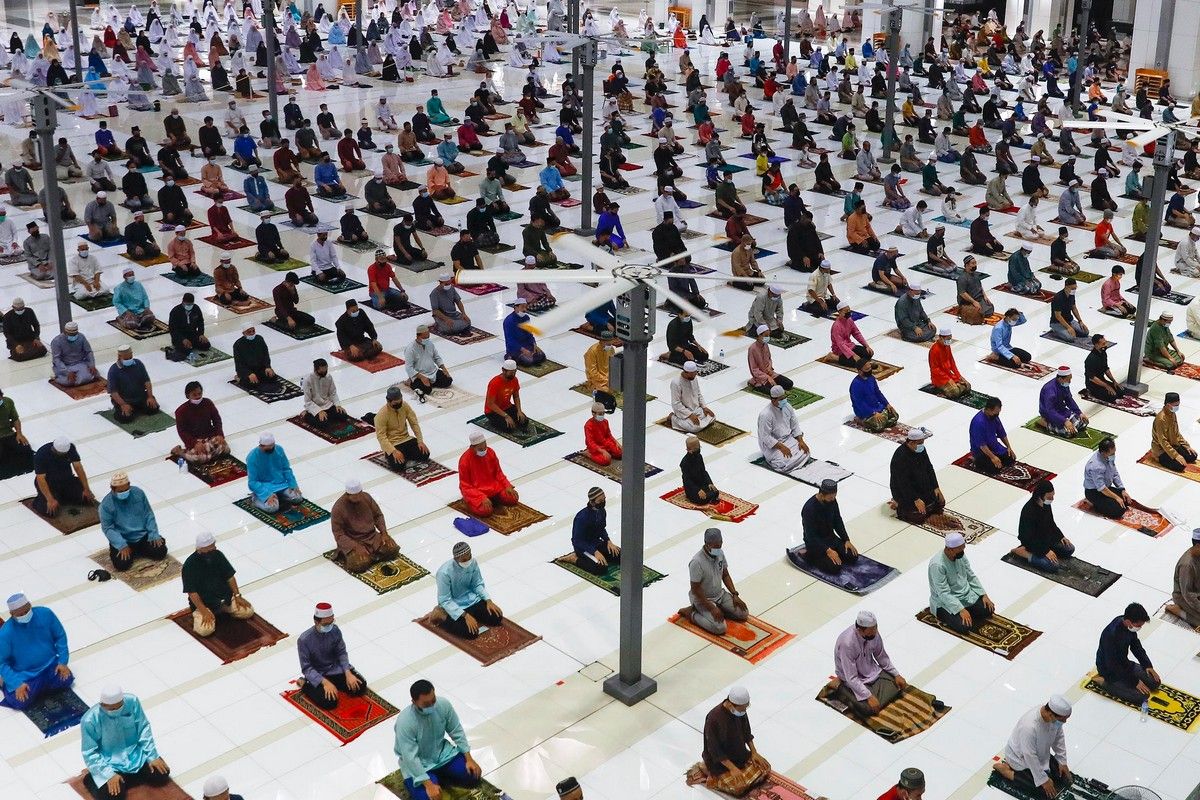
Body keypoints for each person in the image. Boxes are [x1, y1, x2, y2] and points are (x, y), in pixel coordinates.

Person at [392, 678, 483, 800]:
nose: (432, 706)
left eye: (433, 700)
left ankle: (440, 777)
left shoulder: (443, 705)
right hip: (420, 765)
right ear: (414, 702)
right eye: (426, 704)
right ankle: (431, 780)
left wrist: (469, 758)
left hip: (443, 755)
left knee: (473, 776)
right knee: (427, 798)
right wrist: (428, 784)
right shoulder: (405, 722)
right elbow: (410, 757)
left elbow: (456, 730)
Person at [80, 686, 171, 800]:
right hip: (110, 764)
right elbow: (89, 752)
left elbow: (143, 728)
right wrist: (108, 775)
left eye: (119, 707)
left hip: (136, 757)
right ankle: (91, 779)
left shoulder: (132, 702)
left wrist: (152, 757)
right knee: (113, 796)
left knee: (161, 774)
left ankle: (124, 780)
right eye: (112, 709)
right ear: (102, 705)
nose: (116, 711)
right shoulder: (89, 720)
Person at [694, 685, 771, 797]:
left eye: (746, 707)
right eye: (743, 708)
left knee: (766, 768)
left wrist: (754, 752)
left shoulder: (740, 711)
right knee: (739, 787)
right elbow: (715, 751)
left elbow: (746, 732)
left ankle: (737, 775)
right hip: (720, 763)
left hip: (740, 755)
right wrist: (733, 769)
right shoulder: (713, 719)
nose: (744, 711)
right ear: (731, 704)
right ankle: (710, 774)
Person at [0, 592, 72, 710]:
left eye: (26, 611)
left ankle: (40, 687)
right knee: (20, 702)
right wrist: (16, 684)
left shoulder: (45, 614)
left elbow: (60, 636)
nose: (24, 615)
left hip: (50, 665)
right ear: (12, 614)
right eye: (20, 614)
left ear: (30, 605)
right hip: (25, 674)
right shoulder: (5, 633)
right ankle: (4, 684)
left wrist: (63, 662)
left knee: (66, 680)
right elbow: (2, 662)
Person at [992, 696, 1073, 796]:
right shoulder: (1029, 726)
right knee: (1042, 790)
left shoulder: (1053, 719)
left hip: (1041, 754)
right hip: (1020, 758)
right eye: (1063, 719)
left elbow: (1059, 736)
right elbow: (1029, 755)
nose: (1064, 722)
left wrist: (1062, 760)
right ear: (1051, 714)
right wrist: (1043, 780)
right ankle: (1007, 771)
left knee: (1063, 778)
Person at [833, 610, 907, 719]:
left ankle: (876, 695)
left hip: (871, 672)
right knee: (868, 709)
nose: (875, 633)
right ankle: (841, 689)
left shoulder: (874, 634)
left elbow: (881, 656)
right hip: (851, 679)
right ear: (859, 630)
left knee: (898, 685)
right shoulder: (847, 644)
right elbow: (851, 677)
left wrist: (896, 674)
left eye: (875, 628)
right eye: (871, 631)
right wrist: (868, 696)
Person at [297, 602, 368, 710]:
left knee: (360, 686)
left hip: (335, 670)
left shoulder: (335, 630)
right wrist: (325, 683)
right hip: (318, 675)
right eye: (326, 624)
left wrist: (348, 673)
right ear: (316, 622)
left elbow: (341, 652)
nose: (329, 626)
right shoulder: (304, 640)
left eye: (331, 622)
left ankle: (334, 684)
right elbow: (306, 668)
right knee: (330, 702)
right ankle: (305, 685)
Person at [181, 531, 254, 637]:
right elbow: (192, 592)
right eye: (210, 548)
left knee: (248, 611)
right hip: (205, 604)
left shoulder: (217, 555)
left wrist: (238, 596)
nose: (214, 549)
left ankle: (222, 610)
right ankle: (205, 614)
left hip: (225, 598)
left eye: (214, 546)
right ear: (200, 549)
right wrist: (203, 611)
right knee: (205, 630)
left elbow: (230, 577)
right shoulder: (190, 565)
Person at [681, 528, 748, 635]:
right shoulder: (697, 562)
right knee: (720, 628)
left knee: (743, 613)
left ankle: (719, 609)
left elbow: (725, 575)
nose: (718, 549)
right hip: (703, 599)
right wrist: (711, 607)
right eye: (715, 547)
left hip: (719, 595)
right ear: (706, 543)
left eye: (720, 545)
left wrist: (735, 594)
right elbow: (695, 589)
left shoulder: (720, 553)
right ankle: (691, 613)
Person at [434, 541, 504, 638]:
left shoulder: (472, 562)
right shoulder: (444, 573)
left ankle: (472, 616)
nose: (468, 561)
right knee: (471, 633)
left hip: (472, 600)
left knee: (496, 617)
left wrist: (488, 600)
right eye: (464, 559)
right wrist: (465, 615)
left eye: (469, 556)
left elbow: (477, 584)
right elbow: (445, 600)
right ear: (456, 559)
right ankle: (442, 615)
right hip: (455, 605)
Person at [1095, 602, 1161, 705]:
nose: (1139, 628)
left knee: (1155, 682)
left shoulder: (1128, 625)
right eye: (1138, 625)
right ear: (1129, 622)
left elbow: (1136, 646)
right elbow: (1113, 665)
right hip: (1110, 670)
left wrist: (1147, 665)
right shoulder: (1111, 635)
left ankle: (1126, 683)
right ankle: (1104, 682)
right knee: (1142, 696)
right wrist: (1134, 681)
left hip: (1125, 664)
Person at [928, 531, 994, 633]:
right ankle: (951, 614)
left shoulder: (960, 555)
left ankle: (967, 612)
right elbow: (943, 593)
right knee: (964, 626)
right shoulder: (937, 565)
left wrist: (983, 594)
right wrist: (960, 609)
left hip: (965, 596)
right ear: (949, 549)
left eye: (963, 548)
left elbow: (970, 576)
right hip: (945, 602)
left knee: (988, 609)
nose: (962, 552)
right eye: (960, 549)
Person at [331, 478, 400, 572]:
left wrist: (384, 533)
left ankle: (371, 555)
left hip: (372, 536)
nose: (358, 498)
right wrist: (356, 546)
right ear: (348, 495)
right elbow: (338, 534)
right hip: (353, 541)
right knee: (360, 565)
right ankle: (347, 555)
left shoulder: (366, 497)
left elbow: (378, 515)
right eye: (355, 496)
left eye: (359, 494)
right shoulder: (338, 508)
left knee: (393, 549)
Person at [1012, 479, 1076, 572]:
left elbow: (1051, 522)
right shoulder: (1029, 511)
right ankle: (1023, 552)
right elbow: (1028, 537)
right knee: (1053, 566)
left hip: (1045, 538)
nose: (1052, 499)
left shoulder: (1046, 504)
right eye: (1049, 497)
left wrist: (1061, 536)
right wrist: (1045, 551)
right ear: (1040, 495)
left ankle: (1046, 552)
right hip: (1032, 543)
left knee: (1069, 548)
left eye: (1053, 496)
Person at [800, 478, 857, 573]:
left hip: (830, 538)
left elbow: (837, 520)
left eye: (834, 497)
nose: (833, 499)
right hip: (815, 544)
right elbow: (811, 536)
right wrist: (827, 550)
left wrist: (846, 539)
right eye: (830, 498)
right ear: (822, 495)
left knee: (853, 556)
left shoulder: (832, 501)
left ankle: (833, 554)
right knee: (835, 568)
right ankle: (810, 556)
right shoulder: (809, 509)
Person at [457, 431, 518, 516]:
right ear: (472, 447)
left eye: (485, 447)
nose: (484, 450)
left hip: (494, 487)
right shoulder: (464, 461)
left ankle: (493, 499)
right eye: (480, 449)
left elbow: (498, 473)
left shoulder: (490, 452)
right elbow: (465, 486)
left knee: (513, 498)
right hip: (476, 492)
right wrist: (481, 497)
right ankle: (471, 503)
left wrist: (507, 485)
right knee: (486, 511)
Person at [890, 427, 943, 524]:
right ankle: (899, 505)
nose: (922, 445)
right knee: (918, 516)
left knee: (940, 503)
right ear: (911, 443)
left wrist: (936, 487)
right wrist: (915, 499)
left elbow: (929, 468)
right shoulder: (900, 457)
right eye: (920, 443)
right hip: (905, 491)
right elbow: (903, 483)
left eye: (922, 442)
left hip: (921, 486)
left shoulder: (921, 450)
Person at [32, 437, 96, 517]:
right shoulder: (41, 455)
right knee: (50, 512)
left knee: (87, 500)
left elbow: (78, 468)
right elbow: (40, 479)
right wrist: (50, 499)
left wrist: (86, 489)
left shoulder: (70, 448)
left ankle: (61, 497)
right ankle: (39, 500)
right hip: (50, 484)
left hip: (67, 481)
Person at [757, 384, 811, 472]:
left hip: (787, 439)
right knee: (781, 462)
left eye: (784, 397)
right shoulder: (765, 414)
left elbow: (795, 425)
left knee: (806, 452)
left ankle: (792, 464)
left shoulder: (787, 407)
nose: (784, 400)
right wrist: (781, 447)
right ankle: (787, 463)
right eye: (781, 399)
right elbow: (765, 437)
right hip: (773, 445)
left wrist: (801, 441)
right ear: (773, 400)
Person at [375, 385, 430, 470]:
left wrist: (420, 441)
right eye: (396, 404)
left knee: (425, 454)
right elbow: (381, 437)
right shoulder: (381, 415)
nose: (399, 405)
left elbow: (414, 424)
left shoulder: (404, 406)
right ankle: (397, 456)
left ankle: (404, 456)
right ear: (388, 401)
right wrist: (393, 451)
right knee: (398, 466)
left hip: (406, 439)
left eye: (400, 402)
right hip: (393, 444)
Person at [245, 433, 304, 513]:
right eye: (268, 449)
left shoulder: (279, 450)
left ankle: (278, 496)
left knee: (297, 498)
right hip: (265, 487)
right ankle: (255, 499)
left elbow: (286, 469)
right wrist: (266, 495)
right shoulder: (252, 457)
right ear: (261, 446)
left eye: (272, 447)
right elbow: (252, 482)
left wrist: (293, 484)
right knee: (272, 508)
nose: (271, 449)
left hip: (281, 484)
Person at [172, 381, 227, 466]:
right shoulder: (181, 411)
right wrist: (194, 443)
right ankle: (180, 452)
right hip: (195, 441)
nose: (198, 397)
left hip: (210, 437)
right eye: (194, 395)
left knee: (225, 449)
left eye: (199, 394)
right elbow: (182, 431)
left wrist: (219, 435)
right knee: (198, 459)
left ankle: (207, 453)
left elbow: (217, 420)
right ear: (188, 396)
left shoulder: (208, 403)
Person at [569, 487, 621, 575]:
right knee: (601, 568)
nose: (603, 502)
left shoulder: (602, 511)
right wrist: (594, 552)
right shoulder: (582, 517)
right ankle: (574, 558)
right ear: (592, 502)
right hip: (583, 549)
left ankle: (601, 556)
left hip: (596, 543)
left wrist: (608, 541)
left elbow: (601, 528)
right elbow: (577, 541)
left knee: (621, 555)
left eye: (604, 499)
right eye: (600, 501)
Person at [107, 345, 160, 422]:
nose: (129, 360)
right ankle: (127, 409)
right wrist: (123, 404)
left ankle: (135, 408)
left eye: (130, 357)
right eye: (126, 359)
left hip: (140, 396)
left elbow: (147, 381)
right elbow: (113, 392)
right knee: (125, 418)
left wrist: (150, 396)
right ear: (119, 357)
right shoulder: (113, 370)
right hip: (124, 400)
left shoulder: (138, 364)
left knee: (153, 409)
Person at [1084, 438, 1134, 519]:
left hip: (1106, 487)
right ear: (1103, 453)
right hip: (1094, 492)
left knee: (1126, 501)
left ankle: (1105, 503)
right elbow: (1102, 488)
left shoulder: (1108, 457)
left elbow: (1114, 473)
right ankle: (1095, 505)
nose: (1114, 455)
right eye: (1112, 453)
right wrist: (1116, 497)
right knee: (1119, 510)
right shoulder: (1096, 466)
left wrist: (1122, 489)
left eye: (1114, 452)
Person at [404, 325, 453, 400]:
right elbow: (408, 368)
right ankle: (410, 382)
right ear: (418, 336)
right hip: (419, 375)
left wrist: (444, 368)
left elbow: (436, 357)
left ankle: (429, 383)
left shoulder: (430, 344)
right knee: (427, 390)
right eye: (425, 338)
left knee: (448, 381)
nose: (427, 339)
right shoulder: (410, 349)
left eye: (428, 337)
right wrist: (422, 377)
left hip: (433, 371)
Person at [1151, 391, 1197, 471]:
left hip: (1173, 444)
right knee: (1180, 466)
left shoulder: (1172, 414)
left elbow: (1177, 433)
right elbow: (1163, 441)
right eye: (1176, 405)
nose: (1177, 407)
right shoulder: (1161, 419)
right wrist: (1176, 455)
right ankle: (1157, 457)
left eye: (1178, 405)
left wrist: (1186, 446)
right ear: (1168, 405)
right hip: (1161, 449)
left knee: (1192, 456)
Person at [1038, 367, 1088, 438]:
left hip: (1061, 410)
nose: (1070, 381)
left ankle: (1063, 423)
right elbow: (1050, 410)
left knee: (1082, 423)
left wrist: (1079, 413)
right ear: (1060, 379)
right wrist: (1064, 421)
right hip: (1050, 414)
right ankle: (1045, 423)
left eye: (1070, 379)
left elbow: (1069, 400)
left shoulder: (1064, 384)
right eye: (1068, 379)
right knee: (1069, 433)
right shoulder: (1050, 390)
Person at [850, 360, 899, 432]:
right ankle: (861, 420)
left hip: (877, 406)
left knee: (895, 415)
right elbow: (860, 403)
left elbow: (878, 393)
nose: (870, 370)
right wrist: (873, 412)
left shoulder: (871, 378)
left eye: (870, 368)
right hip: (864, 411)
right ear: (860, 372)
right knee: (879, 427)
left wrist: (887, 404)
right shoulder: (856, 385)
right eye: (867, 369)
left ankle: (881, 419)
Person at [301, 358, 349, 429]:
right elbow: (308, 401)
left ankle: (326, 416)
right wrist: (319, 411)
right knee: (324, 425)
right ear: (315, 369)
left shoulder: (328, 377)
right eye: (322, 371)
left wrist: (337, 405)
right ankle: (306, 415)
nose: (324, 373)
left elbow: (333, 393)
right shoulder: (307, 380)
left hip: (327, 405)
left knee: (344, 416)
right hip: (314, 407)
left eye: (325, 370)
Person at [1167, 530, 1200, 630]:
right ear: (1198, 546)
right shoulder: (1187, 565)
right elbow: (1187, 594)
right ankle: (1179, 611)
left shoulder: (1197, 553)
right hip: (1184, 597)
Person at [671, 361, 716, 433]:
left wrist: (704, 407)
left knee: (712, 417)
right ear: (686, 372)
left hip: (696, 409)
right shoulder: (676, 383)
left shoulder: (694, 378)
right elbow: (676, 403)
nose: (694, 376)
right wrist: (690, 415)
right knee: (695, 428)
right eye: (692, 375)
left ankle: (694, 421)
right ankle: (673, 418)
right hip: (683, 413)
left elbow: (698, 394)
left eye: (695, 374)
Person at [484, 359, 528, 432]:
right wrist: (506, 416)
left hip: (507, 407)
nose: (513, 375)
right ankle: (492, 422)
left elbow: (516, 396)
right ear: (503, 370)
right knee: (509, 428)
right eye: (511, 373)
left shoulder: (514, 380)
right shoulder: (494, 383)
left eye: (514, 372)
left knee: (524, 421)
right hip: (493, 411)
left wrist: (519, 411)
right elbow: (490, 404)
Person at [51, 321, 100, 387]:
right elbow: (56, 359)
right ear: (65, 332)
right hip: (65, 366)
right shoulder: (57, 341)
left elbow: (88, 352)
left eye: (74, 334)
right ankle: (57, 378)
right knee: (70, 381)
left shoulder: (81, 337)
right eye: (71, 334)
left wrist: (92, 365)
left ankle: (79, 377)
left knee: (95, 375)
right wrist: (67, 372)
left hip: (80, 363)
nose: (73, 336)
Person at [747, 325, 793, 393]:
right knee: (775, 391)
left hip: (770, 373)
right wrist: (767, 377)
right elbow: (754, 369)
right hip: (760, 377)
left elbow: (769, 359)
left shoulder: (765, 345)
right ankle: (754, 383)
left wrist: (769, 367)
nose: (768, 337)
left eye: (768, 335)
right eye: (766, 335)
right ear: (759, 335)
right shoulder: (752, 349)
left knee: (789, 384)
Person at [928, 328, 971, 398]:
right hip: (939, 378)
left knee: (967, 386)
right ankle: (940, 390)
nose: (949, 341)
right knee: (955, 392)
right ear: (941, 338)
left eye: (950, 339)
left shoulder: (947, 346)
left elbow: (952, 363)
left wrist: (959, 376)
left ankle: (955, 387)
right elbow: (935, 369)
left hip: (948, 374)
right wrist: (948, 380)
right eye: (948, 339)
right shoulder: (934, 350)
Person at [503, 300, 546, 366]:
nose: (524, 309)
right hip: (515, 348)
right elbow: (510, 340)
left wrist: (534, 345)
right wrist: (523, 350)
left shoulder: (526, 318)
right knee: (528, 361)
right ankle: (510, 356)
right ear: (516, 307)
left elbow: (530, 334)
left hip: (527, 345)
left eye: (526, 307)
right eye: (522, 307)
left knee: (542, 356)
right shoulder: (509, 321)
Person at [584, 331, 618, 412]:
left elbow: (613, 364)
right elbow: (592, 372)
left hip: (608, 377)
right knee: (606, 391)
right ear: (601, 341)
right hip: (596, 379)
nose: (610, 344)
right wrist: (605, 380)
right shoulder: (592, 351)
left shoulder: (611, 349)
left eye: (611, 342)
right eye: (608, 343)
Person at [681, 435, 720, 505]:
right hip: (692, 488)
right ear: (689, 450)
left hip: (702, 484)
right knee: (702, 499)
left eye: (699, 447)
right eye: (696, 448)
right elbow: (687, 480)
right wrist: (698, 490)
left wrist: (710, 483)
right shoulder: (684, 462)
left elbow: (703, 471)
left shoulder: (699, 456)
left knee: (715, 492)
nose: (698, 449)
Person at [3, 297, 44, 362]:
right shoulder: (7, 316)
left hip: (30, 339)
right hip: (16, 341)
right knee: (19, 355)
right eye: (18, 309)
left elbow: (36, 325)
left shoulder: (29, 311)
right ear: (13, 307)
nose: (20, 310)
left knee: (42, 350)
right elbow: (7, 333)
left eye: (22, 308)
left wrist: (36, 338)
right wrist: (16, 345)